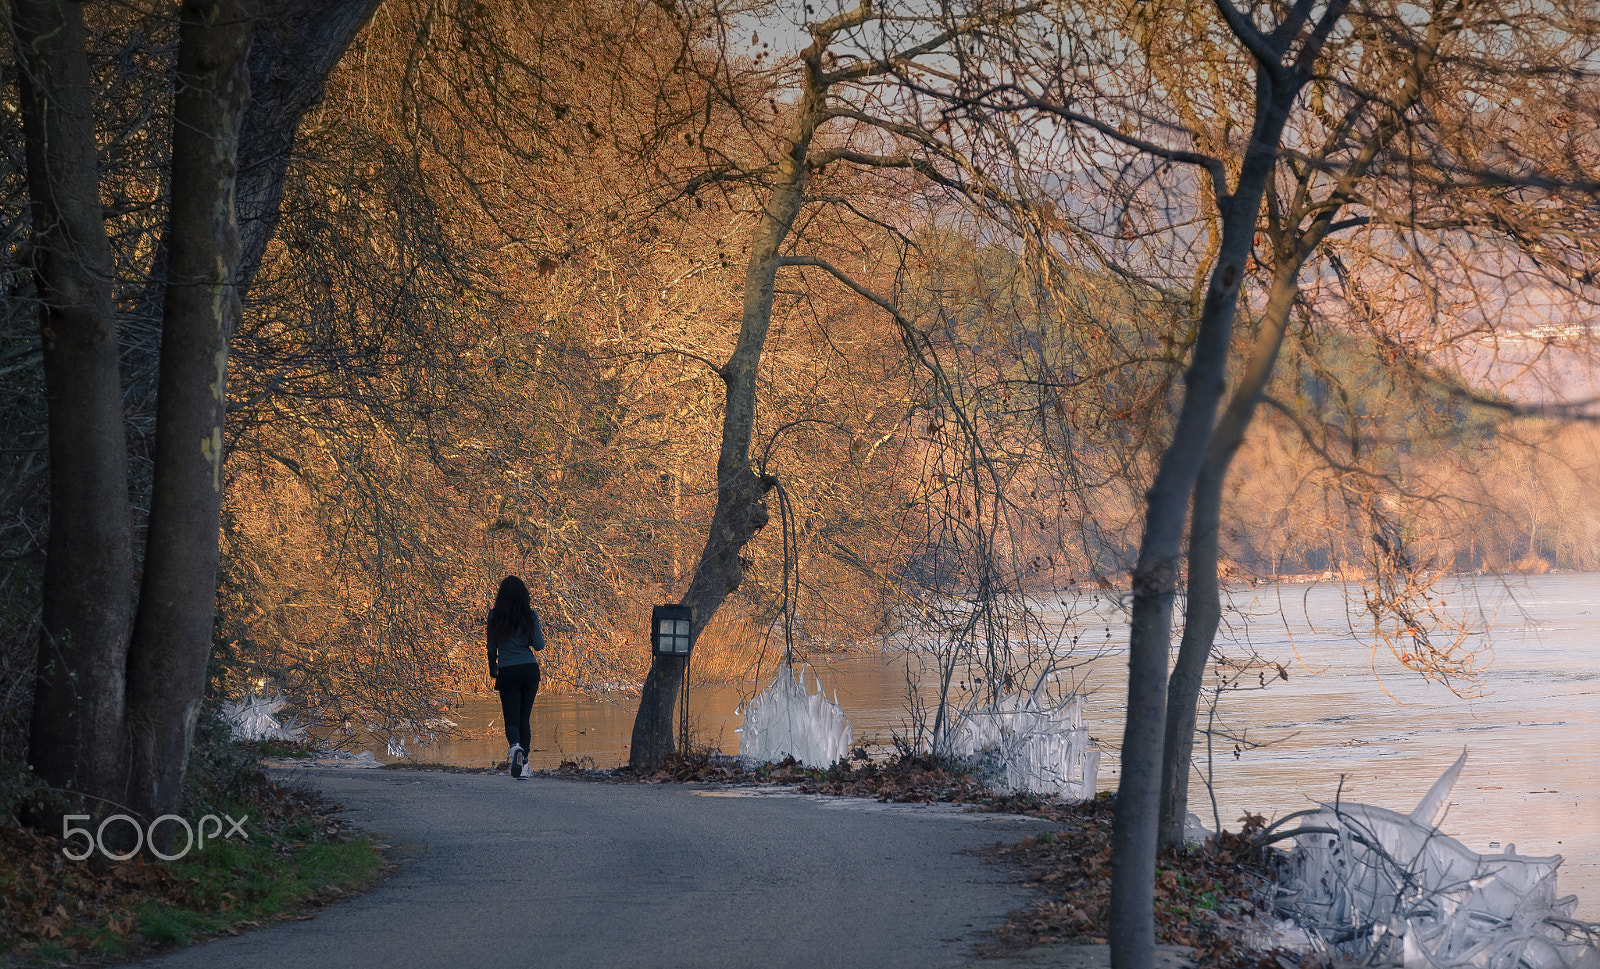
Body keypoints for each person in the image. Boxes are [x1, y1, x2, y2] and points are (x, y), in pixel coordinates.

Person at [487, 575, 545, 778]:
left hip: (508, 670)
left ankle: (515, 747)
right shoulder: (530, 616)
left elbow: (491, 647)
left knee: (511, 719)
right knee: (524, 718)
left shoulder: (494, 616)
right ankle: (525, 765)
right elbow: (539, 645)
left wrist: (492, 668)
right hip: (529, 670)